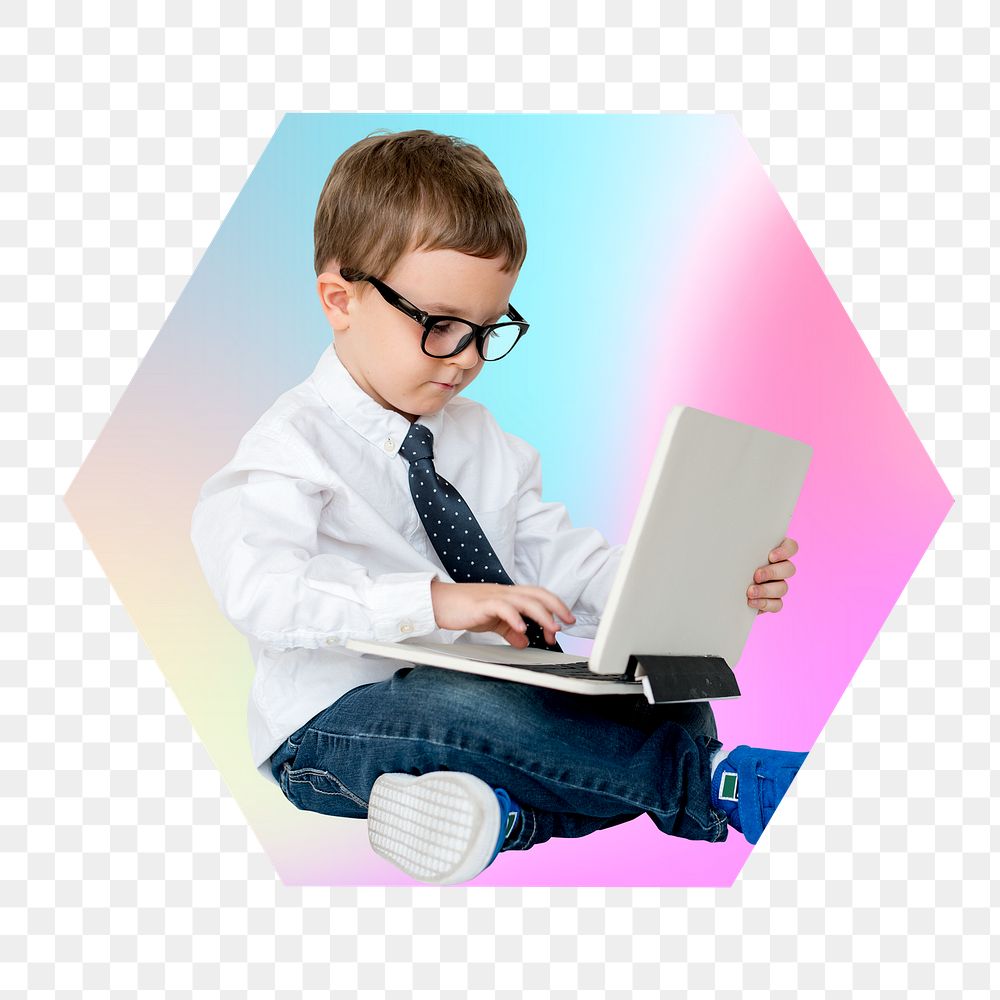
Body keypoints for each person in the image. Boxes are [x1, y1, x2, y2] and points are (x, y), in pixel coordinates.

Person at [190, 128, 807, 885]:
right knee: (482, 713)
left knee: (667, 711)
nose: (469, 357)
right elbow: (260, 593)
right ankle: (723, 787)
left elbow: (570, 568)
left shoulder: (482, 442)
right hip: (333, 730)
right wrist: (438, 604)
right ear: (340, 299)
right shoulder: (289, 448)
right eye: (440, 326)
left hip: (478, 698)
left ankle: (498, 817)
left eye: (488, 329)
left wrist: (704, 583)